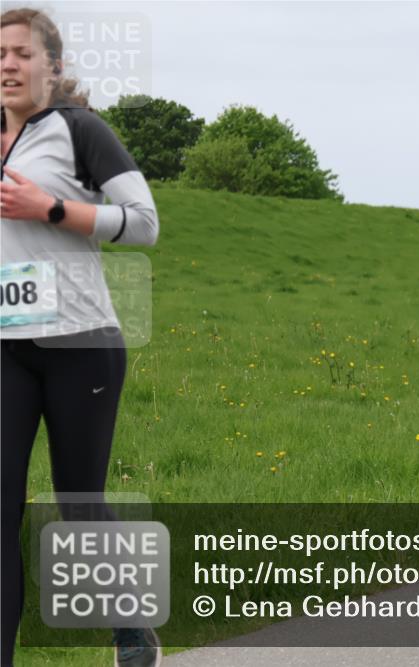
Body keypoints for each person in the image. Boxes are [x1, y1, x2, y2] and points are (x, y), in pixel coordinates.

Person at [1, 8, 160, 666]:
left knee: (77, 501)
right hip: (7, 347)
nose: (8, 64)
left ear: (53, 67)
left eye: (21, 54)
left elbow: (145, 222)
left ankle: (129, 625)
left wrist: (54, 209)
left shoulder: (78, 131)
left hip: (80, 344)